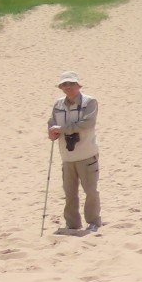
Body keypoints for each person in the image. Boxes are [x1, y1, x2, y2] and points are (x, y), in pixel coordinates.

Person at [46, 71, 100, 233]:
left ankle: (93, 221)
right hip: (67, 156)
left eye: (71, 83)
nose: (67, 87)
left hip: (87, 154)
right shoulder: (58, 104)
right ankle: (72, 223)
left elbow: (87, 123)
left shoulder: (89, 102)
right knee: (69, 192)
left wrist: (62, 129)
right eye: (64, 84)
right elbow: (51, 122)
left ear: (78, 85)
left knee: (90, 190)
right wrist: (51, 132)